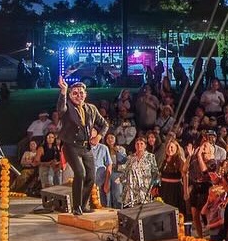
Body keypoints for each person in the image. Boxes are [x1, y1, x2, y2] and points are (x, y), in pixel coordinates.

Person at [57, 77, 110, 215]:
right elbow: (60, 109)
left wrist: (98, 136)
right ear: (70, 95)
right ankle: (76, 207)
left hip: (86, 147)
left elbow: (105, 124)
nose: (78, 95)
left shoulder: (91, 108)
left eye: (81, 93)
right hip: (71, 146)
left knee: (91, 176)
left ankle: (83, 204)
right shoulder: (67, 107)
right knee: (80, 173)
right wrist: (63, 91)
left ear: (85, 95)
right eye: (75, 93)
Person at [120, 136, 159, 208]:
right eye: (137, 144)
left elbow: (155, 172)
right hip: (132, 190)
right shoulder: (130, 158)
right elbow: (124, 172)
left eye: (141, 144)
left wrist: (155, 186)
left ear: (145, 146)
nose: (139, 146)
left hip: (145, 189)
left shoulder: (150, 157)